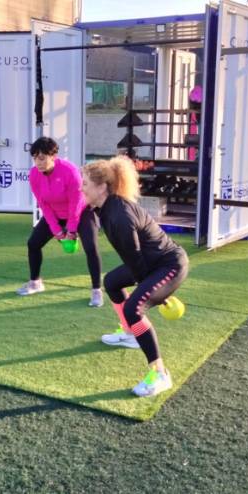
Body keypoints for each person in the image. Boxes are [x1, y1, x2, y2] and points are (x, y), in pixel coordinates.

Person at [80, 156, 189, 398]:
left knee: (133, 309)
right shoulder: (105, 207)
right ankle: (130, 334)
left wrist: (157, 294)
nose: (81, 188)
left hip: (169, 265)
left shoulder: (119, 216)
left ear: (102, 187)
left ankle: (160, 374)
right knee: (112, 282)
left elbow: (136, 260)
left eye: (85, 183)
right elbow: (133, 260)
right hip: (149, 261)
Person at [16, 137, 104, 307]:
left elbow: (76, 203)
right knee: (33, 244)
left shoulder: (69, 171)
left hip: (81, 212)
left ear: (53, 156)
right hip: (55, 213)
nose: (38, 162)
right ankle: (35, 282)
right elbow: (43, 204)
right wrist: (56, 229)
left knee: (91, 247)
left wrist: (71, 230)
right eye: (35, 158)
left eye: (42, 158)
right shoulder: (34, 174)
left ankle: (96, 290)